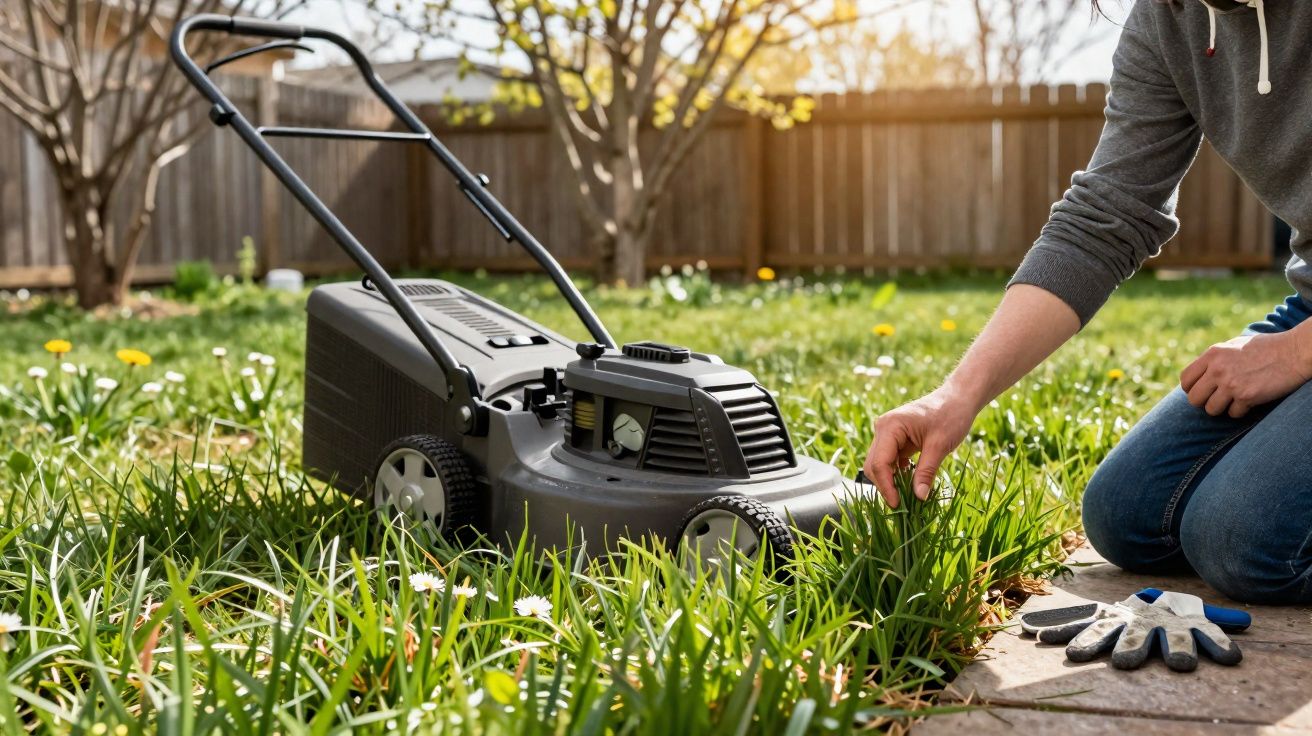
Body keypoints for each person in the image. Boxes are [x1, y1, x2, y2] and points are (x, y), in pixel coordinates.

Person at [863, 0, 1312, 606]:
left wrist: (1297, 354)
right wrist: (955, 395)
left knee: (1247, 544)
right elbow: (1104, 220)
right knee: (1127, 515)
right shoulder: (1168, 19)